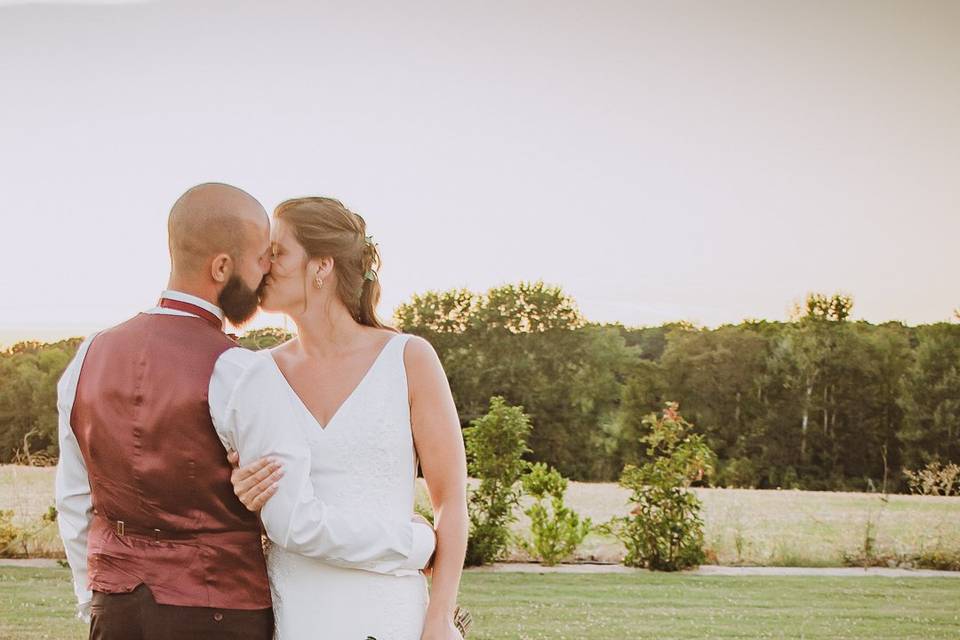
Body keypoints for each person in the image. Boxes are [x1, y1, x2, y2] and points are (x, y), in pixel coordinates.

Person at [55, 183, 435, 640]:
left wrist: (92, 595)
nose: (266, 272)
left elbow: (76, 501)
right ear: (221, 267)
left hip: (114, 613)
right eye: (261, 258)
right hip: (219, 613)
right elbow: (293, 520)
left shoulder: (88, 355)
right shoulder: (240, 370)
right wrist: (418, 541)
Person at [228, 196, 468, 639]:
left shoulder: (409, 359)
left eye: (278, 252)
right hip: (298, 608)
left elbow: (450, 500)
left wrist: (439, 617)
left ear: (321, 266)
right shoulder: (258, 373)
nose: (263, 265)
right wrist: (240, 488)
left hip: (391, 609)